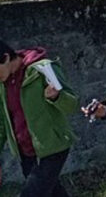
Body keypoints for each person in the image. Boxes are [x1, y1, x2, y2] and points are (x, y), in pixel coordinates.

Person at [0, 40, 78, 197]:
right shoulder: (3, 84)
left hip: (53, 146)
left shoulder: (42, 69)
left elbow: (72, 105)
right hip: (26, 151)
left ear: (6, 58)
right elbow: (2, 122)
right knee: (53, 192)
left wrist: (56, 96)